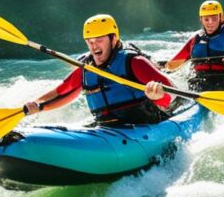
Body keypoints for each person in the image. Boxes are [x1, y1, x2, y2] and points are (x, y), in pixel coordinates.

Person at [23, 14, 175, 125]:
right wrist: (38, 104)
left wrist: (158, 96)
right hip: (107, 127)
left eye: (99, 40)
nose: (94, 46)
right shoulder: (86, 69)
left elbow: (173, 94)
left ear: (113, 39)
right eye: (90, 42)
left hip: (144, 124)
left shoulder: (134, 62)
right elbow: (61, 92)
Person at [165, 0, 224, 91]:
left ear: (221, 18)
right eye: (206, 19)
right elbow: (173, 64)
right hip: (202, 84)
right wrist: (160, 66)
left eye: (214, 19)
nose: (210, 22)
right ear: (201, 19)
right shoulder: (195, 40)